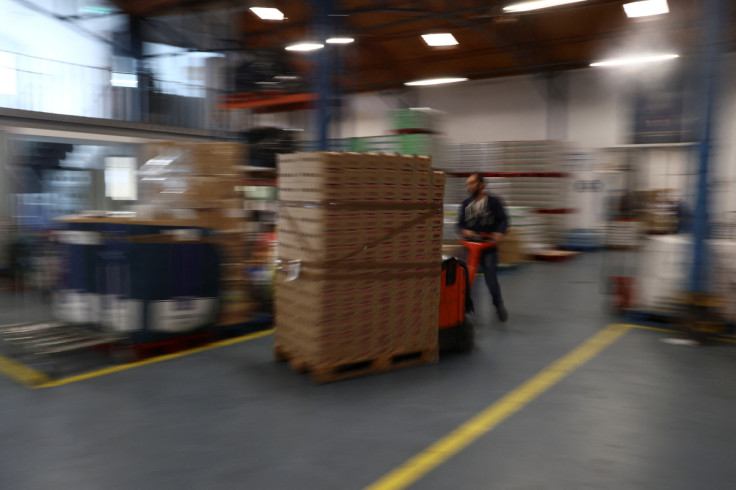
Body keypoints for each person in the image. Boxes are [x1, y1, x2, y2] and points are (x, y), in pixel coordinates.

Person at [457, 172, 509, 322]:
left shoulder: (494, 203)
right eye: (468, 184)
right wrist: (464, 230)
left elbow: (503, 220)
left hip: (488, 247)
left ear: (482, 184)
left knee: (490, 278)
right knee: (464, 278)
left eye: (472, 183)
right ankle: (462, 307)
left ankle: (498, 304)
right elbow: (459, 224)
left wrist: (499, 232)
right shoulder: (465, 204)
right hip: (469, 246)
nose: (469, 187)